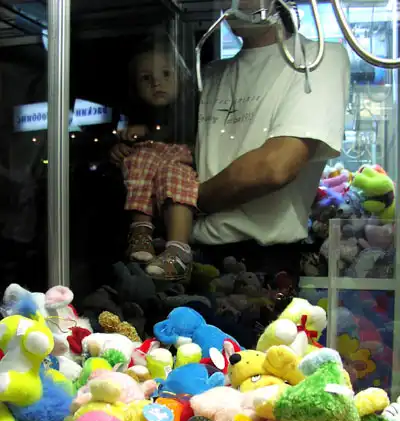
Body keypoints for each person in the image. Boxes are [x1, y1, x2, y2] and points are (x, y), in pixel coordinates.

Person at [192, 0, 350, 294]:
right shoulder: (213, 72)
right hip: (196, 251)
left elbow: (276, 166)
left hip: (263, 261)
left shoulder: (319, 58)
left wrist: (191, 201)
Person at [111, 35, 198, 281]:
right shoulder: (133, 115)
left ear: (181, 78)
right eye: (146, 78)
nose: (157, 83)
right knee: (140, 160)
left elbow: (182, 135)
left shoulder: (188, 110)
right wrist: (120, 150)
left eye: (166, 74)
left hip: (179, 173)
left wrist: (148, 133)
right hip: (149, 189)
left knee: (174, 173)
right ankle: (141, 232)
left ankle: (179, 250)